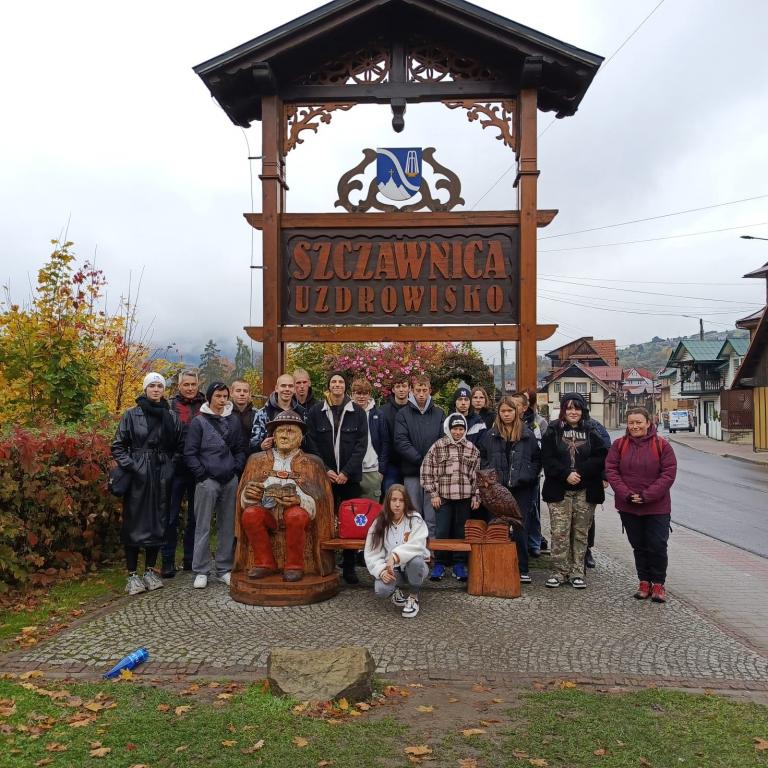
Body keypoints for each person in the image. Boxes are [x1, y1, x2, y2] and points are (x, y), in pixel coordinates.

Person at [111, 373, 184, 595]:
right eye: (151, 385)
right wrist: (134, 467)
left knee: (158, 522)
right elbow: (117, 446)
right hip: (138, 475)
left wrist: (170, 467)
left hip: (161, 473)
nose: (155, 389)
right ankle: (132, 574)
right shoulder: (131, 415)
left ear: (164, 390)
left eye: (159, 386)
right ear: (145, 389)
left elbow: (180, 447)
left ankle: (150, 570)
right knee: (134, 522)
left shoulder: (171, 417)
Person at [239, 410, 328, 581]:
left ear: (301, 438)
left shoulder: (312, 463)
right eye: (280, 431)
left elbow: (323, 499)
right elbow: (243, 495)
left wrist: (300, 500)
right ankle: (265, 563)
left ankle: (295, 566)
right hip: (267, 514)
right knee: (251, 514)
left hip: (298, 518)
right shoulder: (256, 460)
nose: (284, 436)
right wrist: (248, 495)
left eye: (290, 431)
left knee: (295, 514)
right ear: (273, 436)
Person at [605, 407, 677, 603]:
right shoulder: (619, 445)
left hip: (657, 507)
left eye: (639, 422)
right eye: (631, 423)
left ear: (648, 423)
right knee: (639, 546)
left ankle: (659, 584)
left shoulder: (662, 445)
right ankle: (644, 582)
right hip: (629, 506)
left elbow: (668, 474)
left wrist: (646, 495)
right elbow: (611, 471)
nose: (635, 426)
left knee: (657, 545)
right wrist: (627, 495)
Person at [305, 371, 368, 584]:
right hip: (326, 477)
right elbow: (311, 443)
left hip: (349, 478)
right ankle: (325, 564)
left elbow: (361, 445)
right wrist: (326, 469)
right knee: (324, 520)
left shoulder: (358, 412)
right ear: (329, 386)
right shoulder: (316, 412)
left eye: (341, 382)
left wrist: (346, 473)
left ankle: (349, 567)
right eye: (334, 381)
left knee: (350, 522)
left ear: (345, 387)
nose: (337, 385)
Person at [541, 392, 607, 589]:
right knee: (560, 532)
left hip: (585, 490)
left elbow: (601, 456)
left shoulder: (592, 430)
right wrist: (564, 474)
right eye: (569, 408)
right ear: (563, 410)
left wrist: (581, 472)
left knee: (580, 532)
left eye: (576, 408)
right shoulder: (553, 429)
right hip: (559, 489)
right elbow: (547, 457)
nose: (573, 412)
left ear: (583, 410)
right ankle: (559, 571)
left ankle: (577, 571)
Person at [184, 382, 247, 589]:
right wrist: (202, 476)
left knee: (228, 525)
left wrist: (235, 470)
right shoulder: (198, 422)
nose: (222, 400)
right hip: (207, 481)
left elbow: (240, 449)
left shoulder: (234, 421)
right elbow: (190, 453)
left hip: (229, 480)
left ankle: (224, 568)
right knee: (202, 525)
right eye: (218, 396)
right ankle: (201, 570)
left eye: (225, 396)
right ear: (210, 397)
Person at [478, 396, 541, 584]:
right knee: (496, 526)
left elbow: (537, 459)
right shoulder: (489, 435)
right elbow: (482, 457)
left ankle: (522, 568)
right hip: (496, 489)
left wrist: (528, 474)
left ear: (516, 412)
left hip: (521, 487)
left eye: (510, 411)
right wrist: (489, 476)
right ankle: (495, 565)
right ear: (498, 413)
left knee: (520, 527)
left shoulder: (527, 434)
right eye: (503, 411)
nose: (506, 414)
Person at [420, 413, 480, 581]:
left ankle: (459, 564)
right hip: (443, 497)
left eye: (461, 429)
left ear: (465, 430)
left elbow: (476, 475)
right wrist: (433, 493)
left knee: (461, 532)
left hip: (464, 497)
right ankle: (439, 563)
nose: (458, 432)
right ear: (449, 429)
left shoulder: (471, 449)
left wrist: (476, 496)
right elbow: (426, 471)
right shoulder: (438, 446)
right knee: (442, 530)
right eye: (455, 429)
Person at [162, 369, 205, 577]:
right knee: (170, 516)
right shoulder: (170, 406)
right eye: (186, 385)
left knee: (195, 518)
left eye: (193, 385)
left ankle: (190, 559)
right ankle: (168, 560)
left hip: (198, 467)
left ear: (198, 385)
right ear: (179, 386)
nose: (189, 388)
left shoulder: (205, 406)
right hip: (176, 468)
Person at [364, 484, 429, 618]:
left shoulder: (415, 519)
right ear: (388, 501)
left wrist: (395, 556)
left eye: (401, 500)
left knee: (416, 561)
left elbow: (418, 545)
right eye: (394, 500)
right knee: (381, 590)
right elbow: (371, 552)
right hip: (393, 570)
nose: (397, 504)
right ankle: (396, 591)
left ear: (406, 502)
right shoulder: (379, 522)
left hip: (413, 567)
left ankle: (413, 597)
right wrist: (381, 571)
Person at [394, 375, 445, 538]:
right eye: (418, 390)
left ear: (430, 391)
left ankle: (431, 552)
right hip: (412, 471)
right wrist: (421, 460)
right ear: (412, 391)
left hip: (434, 474)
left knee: (432, 516)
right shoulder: (402, 414)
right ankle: (413, 551)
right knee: (413, 514)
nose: (421, 394)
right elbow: (401, 441)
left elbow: (443, 440)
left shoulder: (439, 413)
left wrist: (431, 463)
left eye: (424, 390)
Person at [522, 387, 548, 558]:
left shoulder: (539, 422)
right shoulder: (506, 420)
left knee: (532, 507)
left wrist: (536, 469)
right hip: (510, 471)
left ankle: (534, 541)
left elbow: (542, 449)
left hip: (532, 471)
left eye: (523, 401)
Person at [250, 373, 306, 453]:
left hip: (295, 460)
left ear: (294, 389)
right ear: (276, 388)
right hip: (270, 460)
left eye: (290, 386)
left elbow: (307, 441)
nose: (287, 389)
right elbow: (253, 443)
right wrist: (260, 445)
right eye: (283, 386)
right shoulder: (263, 413)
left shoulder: (301, 413)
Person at [351, 378, 384, 502]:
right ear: (352, 394)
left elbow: (385, 443)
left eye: (365, 393)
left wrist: (381, 471)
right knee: (351, 514)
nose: (361, 396)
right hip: (351, 472)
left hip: (372, 471)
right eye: (358, 393)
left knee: (372, 513)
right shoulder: (346, 413)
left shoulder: (378, 415)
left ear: (369, 394)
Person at [378, 374, 411, 494]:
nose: (401, 389)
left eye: (404, 386)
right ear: (393, 389)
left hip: (410, 463)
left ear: (409, 388)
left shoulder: (414, 410)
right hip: (390, 464)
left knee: (411, 501)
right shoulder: (382, 411)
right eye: (398, 386)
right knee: (390, 498)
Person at [230, 379, 256, 444]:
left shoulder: (256, 415)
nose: (242, 394)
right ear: (231, 393)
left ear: (250, 394)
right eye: (238, 391)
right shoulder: (224, 414)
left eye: (245, 391)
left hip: (253, 452)